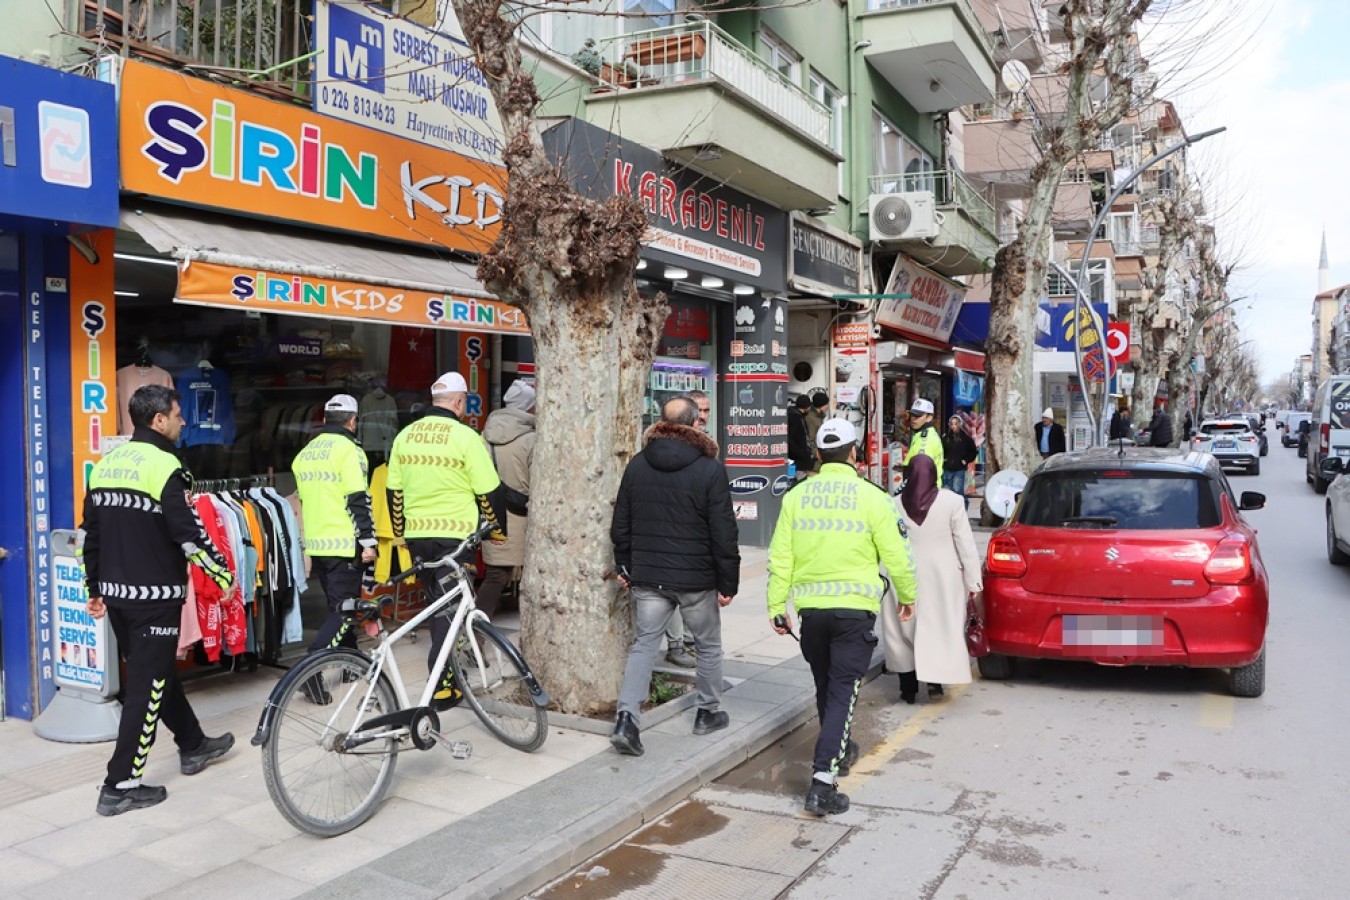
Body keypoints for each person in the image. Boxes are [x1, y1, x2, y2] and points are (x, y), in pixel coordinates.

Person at [81, 385, 236, 816]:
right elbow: (188, 533)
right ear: (158, 421)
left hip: (117, 597)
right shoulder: (167, 465)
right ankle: (120, 785)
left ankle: (193, 744)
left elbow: (90, 534)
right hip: (156, 598)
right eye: (178, 414)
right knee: (146, 688)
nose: (183, 421)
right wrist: (223, 574)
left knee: (157, 674)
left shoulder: (106, 464)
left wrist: (92, 587)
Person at [767, 418, 918, 816]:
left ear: (817, 454)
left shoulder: (797, 496)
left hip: (812, 612)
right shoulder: (874, 497)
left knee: (828, 688)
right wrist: (908, 596)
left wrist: (775, 606)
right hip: (854, 612)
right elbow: (898, 556)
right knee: (841, 691)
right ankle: (822, 782)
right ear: (855, 452)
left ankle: (839, 747)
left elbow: (780, 558)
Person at [610, 397, 740, 757]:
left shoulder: (638, 465)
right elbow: (723, 531)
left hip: (649, 576)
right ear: (695, 422)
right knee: (708, 645)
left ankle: (626, 719)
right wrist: (728, 581)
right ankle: (707, 712)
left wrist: (624, 566)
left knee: (644, 645)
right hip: (696, 579)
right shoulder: (709, 469)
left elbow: (621, 522)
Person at [387, 372, 507, 711]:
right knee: (449, 614)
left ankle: (450, 676)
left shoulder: (405, 436)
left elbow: (394, 491)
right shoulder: (466, 437)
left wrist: (401, 533)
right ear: (459, 402)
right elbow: (489, 491)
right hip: (454, 539)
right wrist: (496, 530)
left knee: (435, 607)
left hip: (417, 538)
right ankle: (440, 685)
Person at [882, 455, 984, 704]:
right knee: (937, 627)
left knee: (901, 630)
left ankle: (907, 689)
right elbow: (965, 544)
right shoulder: (952, 502)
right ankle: (935, 683)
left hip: (902, 573)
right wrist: (974, 584)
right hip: (943, 576)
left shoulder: (893, 504)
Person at [292, 394, 377, 678]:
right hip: (344, 543)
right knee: (345, 612)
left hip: (319, 544)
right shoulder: (350, 451)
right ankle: (308, 672)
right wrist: (368, 541)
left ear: (326, 419)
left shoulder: (306, 452)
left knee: (339, 606)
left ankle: (350, 665)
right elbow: (357, 500)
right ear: (353, 422)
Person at [480, 380, 537, 620]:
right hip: (523, 512)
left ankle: (475, 626)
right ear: (529, 407)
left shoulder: (485, 435)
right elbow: (539, 481)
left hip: (493, 511)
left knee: (496, 573)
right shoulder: (532, 438)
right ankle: (475, 626)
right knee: (527, 573)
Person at [904, 398, 944, 474]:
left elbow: (922, 471)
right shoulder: (921, 434)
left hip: (923, 485)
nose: (913, 419)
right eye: (912, 415)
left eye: (918, 415)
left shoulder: (926, 439)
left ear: (929, 418)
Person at [940, 415, 977, 496]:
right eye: (952, 424)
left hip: (959, 469)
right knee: (947, 491)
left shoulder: (966, 439)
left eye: (955, 424)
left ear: (960, 425)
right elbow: (940, 450)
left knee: (957, 491)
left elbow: (973, 452)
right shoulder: (946, 438)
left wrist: (965, 460)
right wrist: (943, 459)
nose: (953, 426)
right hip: (947, 468)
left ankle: (961, 507)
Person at [787, 394, 815, 480]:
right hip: (799, 459)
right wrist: (805, 455)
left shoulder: (791, 414)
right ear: (806, 407)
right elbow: (801, 438)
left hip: (793, 457)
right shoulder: (797, 418)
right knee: (801, 479)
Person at [805, 392, 829, 469]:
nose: (827, 406)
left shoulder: (818, 417)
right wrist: (817, 455)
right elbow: (810, 439)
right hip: (815, 459)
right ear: (821, 405)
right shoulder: (812, 419)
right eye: (826, 404)